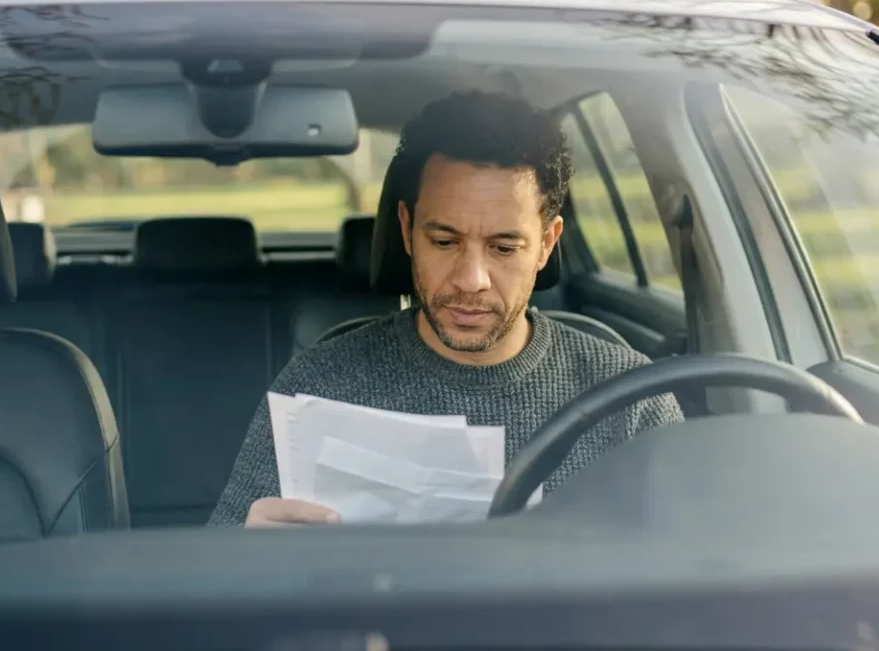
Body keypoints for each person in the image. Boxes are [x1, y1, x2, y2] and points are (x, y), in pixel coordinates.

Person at [208, 90, 682, 528]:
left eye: (503, 247)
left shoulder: (629, 402)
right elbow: (214, 585)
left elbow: (693, 587)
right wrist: (250, 556)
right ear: (407, 229)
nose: (471, 280)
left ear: (546, 244)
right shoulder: (318, 388)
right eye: (444, 241)